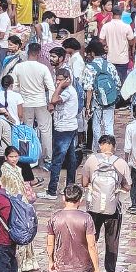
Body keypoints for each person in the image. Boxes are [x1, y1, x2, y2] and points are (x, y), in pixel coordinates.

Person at [80, 135, 129, 272]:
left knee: (90, 240)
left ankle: (89, 270)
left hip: (93, 208)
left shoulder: (91, 160)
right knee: (112, 241)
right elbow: (128, 186)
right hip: (113, 209)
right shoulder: (121, 163)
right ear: (114, 146)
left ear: (101, 145)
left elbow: (84, 182)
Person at [46, 183, 101, 272]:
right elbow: (92, 246)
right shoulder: (86, 218)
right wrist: (96, 269)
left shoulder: (54, 218)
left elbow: (50, 244)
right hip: (83, 266)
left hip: (63, 266)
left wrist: (51, 261)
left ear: (64, 198)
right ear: (80, 200)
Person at [11, 43, 55, 167]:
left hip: (25, 103)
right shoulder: (43, 68)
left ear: (27, 52)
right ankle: (47, 159)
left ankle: (28, 157)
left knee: (27, 130)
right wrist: (51, 103)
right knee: (45, 131)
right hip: (41, 102)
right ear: (39, 53)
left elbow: (14, 86)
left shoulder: (19, 67)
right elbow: (51, 87)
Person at [0, 148, 38, 272]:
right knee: (18, 231)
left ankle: (27, 263)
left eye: (16, 156)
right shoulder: (4, 171)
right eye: (11, 156)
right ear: (6, 157)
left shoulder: (18, 169)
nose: (14, 159)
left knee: (26, 229)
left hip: (22, 204)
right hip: (13, 205)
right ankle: (17, 265)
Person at [42, 66, 80, 199]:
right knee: (71, 159)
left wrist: (59, 87)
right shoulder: (64, 91)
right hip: (65, 127)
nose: (58, 82)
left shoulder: (68, 91)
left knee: (57, 160)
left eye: (61, 80)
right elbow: (52, 104)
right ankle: (71, 186)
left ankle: (52, 190)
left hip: (65, 129)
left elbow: (53, 100)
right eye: (57, 80)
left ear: (68, 80)